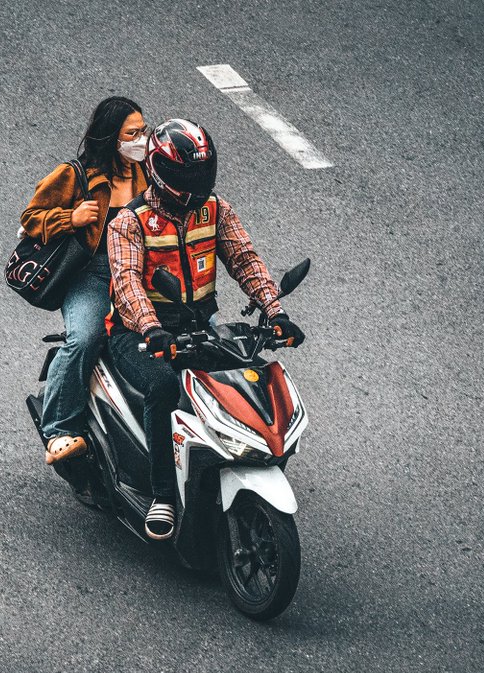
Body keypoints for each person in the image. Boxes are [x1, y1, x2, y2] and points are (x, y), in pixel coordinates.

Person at [106, 118, 306, 539]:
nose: (197, 184)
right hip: (137, 334)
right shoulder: (130, 221)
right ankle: (163, 494)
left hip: (201, 324)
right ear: (160, 172)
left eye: (202, 173)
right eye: (186, 175)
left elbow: (244, 260)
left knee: (249, 372)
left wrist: (274, 313)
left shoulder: (215, 209)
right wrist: (150, 328)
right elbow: (126, 283)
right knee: (164, 388)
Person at [21, 97, 149, 464]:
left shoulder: (146, 172)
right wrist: (71, 219)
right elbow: (31, 217)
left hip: (139, 272)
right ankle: (59, 428)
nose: (141, 139)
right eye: (132, 133)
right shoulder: (74, 174)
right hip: (92, 275)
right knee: (84, 338)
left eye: (143, 131)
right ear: (111, 137)